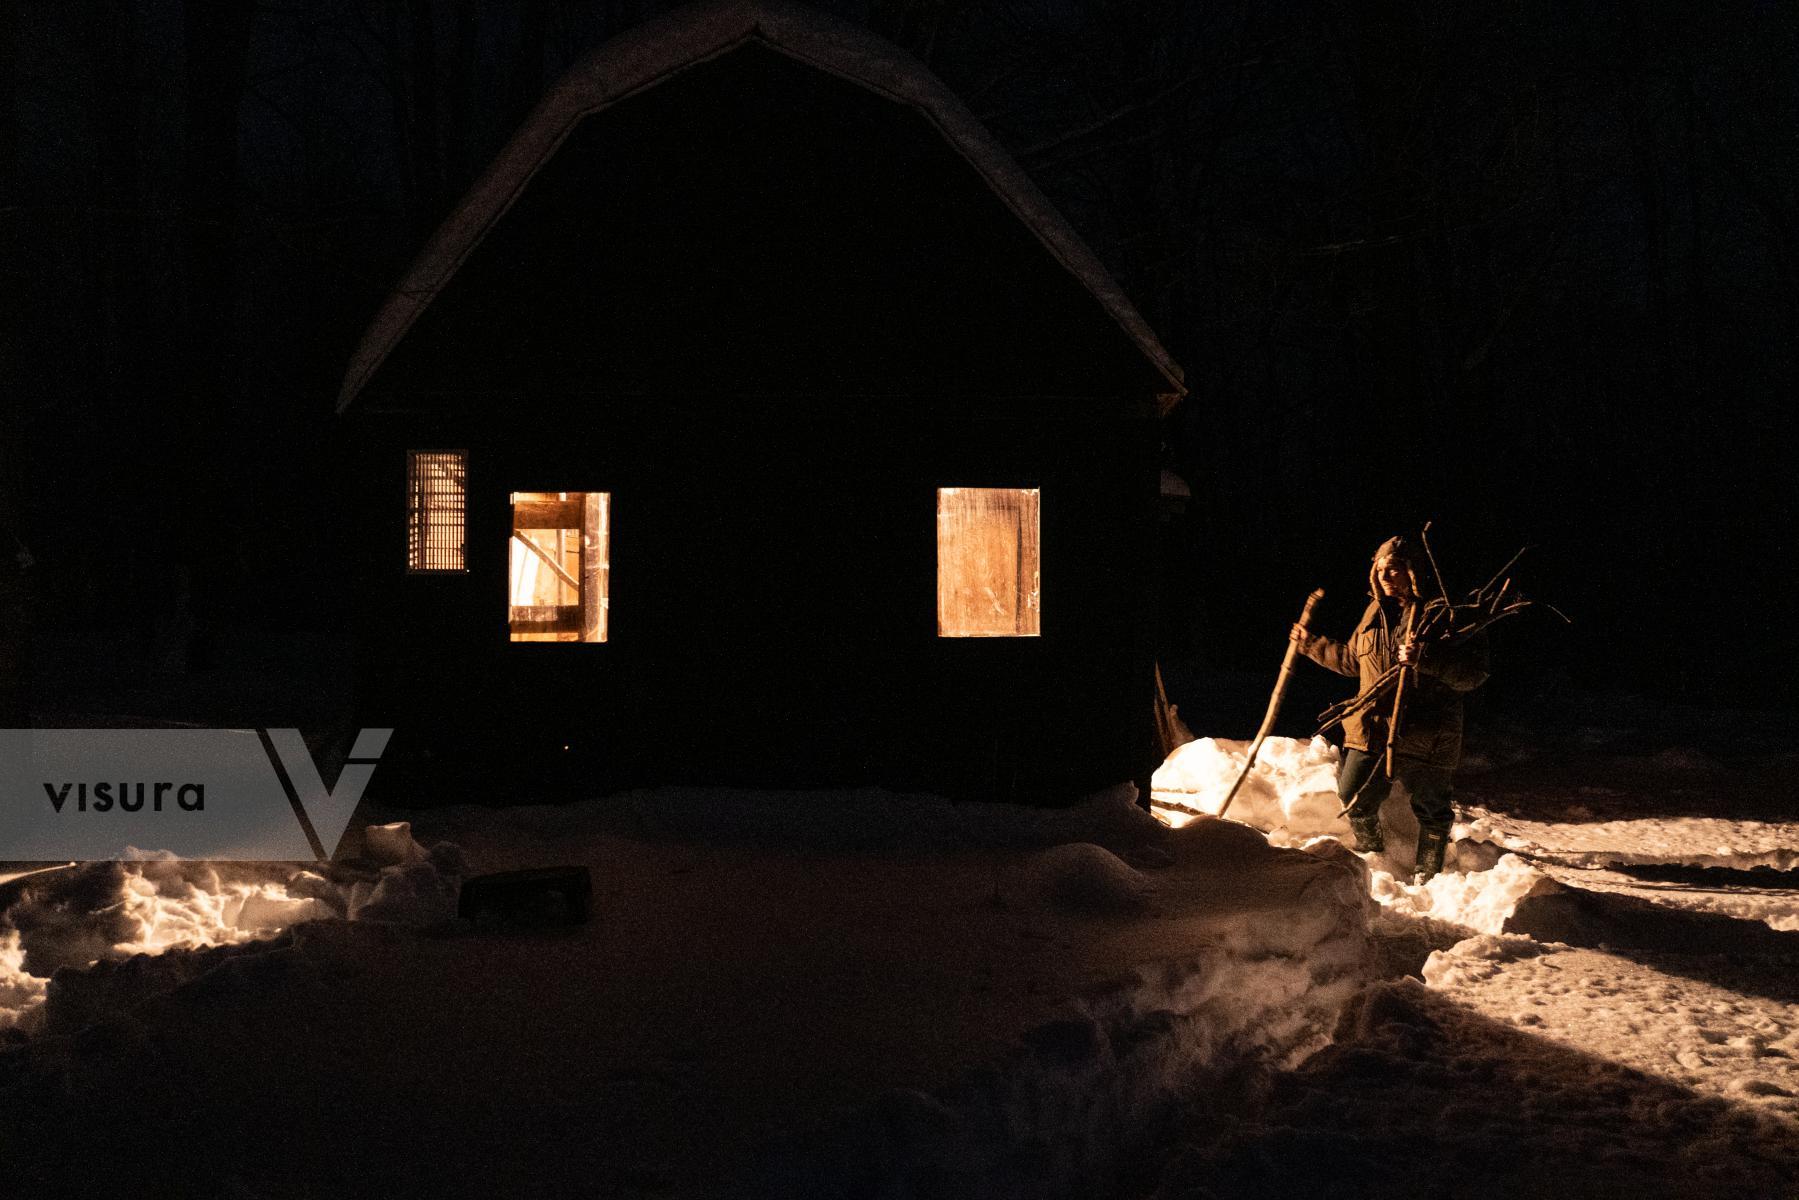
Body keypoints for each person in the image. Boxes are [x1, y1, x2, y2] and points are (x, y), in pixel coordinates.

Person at [1290, 535, 1488, 883]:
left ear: (1412, 571)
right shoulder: (1373, 614)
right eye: (1379, 569)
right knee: (1353, 795)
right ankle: (1375, 857)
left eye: (1393, 568)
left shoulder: (1442, 612)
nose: (1384, 576)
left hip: (1429, 730)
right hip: (1373, 728)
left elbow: (1473, 673)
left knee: (1432, 809)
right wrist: (1309, 645)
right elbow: (1353, 660)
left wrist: (1425, 658)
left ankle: (1429, 876)